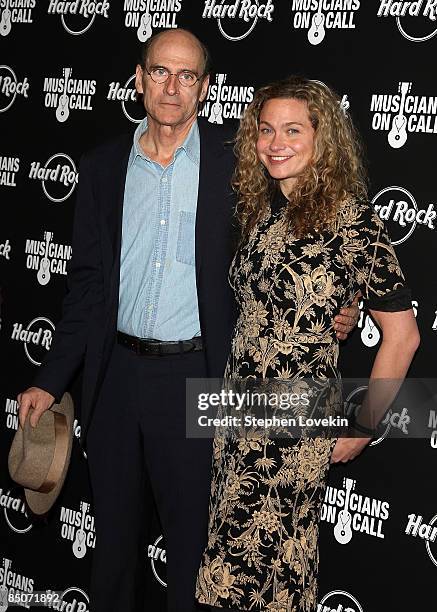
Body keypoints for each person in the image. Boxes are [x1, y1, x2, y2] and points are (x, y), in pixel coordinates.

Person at [16, 32, 359, 612]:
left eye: (186, 75)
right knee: (113, 554)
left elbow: (305, 245)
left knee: (194, 563)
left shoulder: (242, 170)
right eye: (159, 72)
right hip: (115, 381)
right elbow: (87, 292)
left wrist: (337, 305)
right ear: (138, 78)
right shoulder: (102, 169)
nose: (172, 86)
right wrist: (50, 379)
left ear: (205, 87)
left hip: (200, 379)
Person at [196, 77, 420, 612]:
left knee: (274, 569)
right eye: (266, 130)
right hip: (239, 413)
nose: (277, 142)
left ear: (323, 139)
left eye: (293, 130)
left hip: (296, 423)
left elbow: (403, 336)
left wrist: (364, 426)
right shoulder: (263, 212)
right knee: (226, 570)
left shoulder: (355, 224)